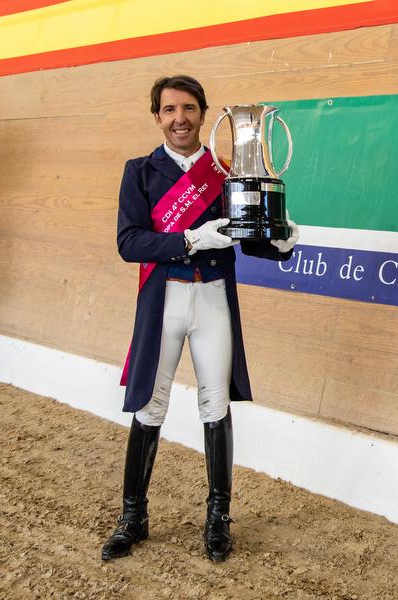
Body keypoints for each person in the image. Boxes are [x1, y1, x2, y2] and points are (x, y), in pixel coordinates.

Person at [101, 75, 298, 562]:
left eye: (188, 109)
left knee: (215, 404)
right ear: (157, 117)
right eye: (169, 110)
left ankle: (218, 518)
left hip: (211, 298)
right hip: (163, 299)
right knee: (151, 404)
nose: (179, 119)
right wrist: (190, 239)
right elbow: (130, 242)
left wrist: (280, 242)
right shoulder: (139, 172)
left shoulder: (228, 171)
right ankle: (133, 516)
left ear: (204, 115)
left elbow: (247, 236)